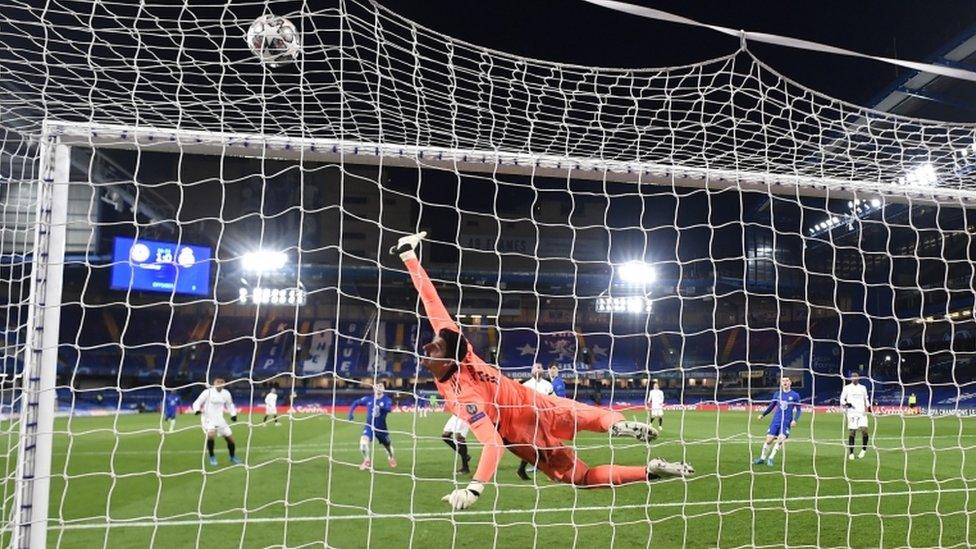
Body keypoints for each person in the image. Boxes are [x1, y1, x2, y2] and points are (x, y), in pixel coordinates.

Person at [394, 231, 690, 511]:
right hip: (537, 402)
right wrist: (408, 255)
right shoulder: (460, 347)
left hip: (522, 432)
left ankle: (641, 461)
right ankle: (632, 445)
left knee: (582, 478)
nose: (426, 347)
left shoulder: (465, 394)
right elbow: (430, 299)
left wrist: (474, 489)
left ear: (449, 362)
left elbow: (493, 443)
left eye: (433, 347)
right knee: (595, 416)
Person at [753, 376, 802, 466]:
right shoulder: (777, 394)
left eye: (787, 380)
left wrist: (795, 420)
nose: (785, 382)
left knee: (780, 439)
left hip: (786, 422)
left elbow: (799, 410)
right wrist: (763, 415)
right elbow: (771, 406)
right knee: (768, 440)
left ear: (790, 382)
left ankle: (771, 458)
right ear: (781, 383)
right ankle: (762, 458)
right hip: (776, 420)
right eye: (783, 381)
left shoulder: (795, 395)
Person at [517, 363, 554, 480]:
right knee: (537, 445)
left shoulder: (548, 385)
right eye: (535, 367)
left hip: (544, 418)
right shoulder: (526, 385)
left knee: (542, 445)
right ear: (531, 370)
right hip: (530, 419)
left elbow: (553, 400)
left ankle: (522, 469)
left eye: (540, 367)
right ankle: (549, 471)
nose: (538, 369)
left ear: (542, 370)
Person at [191, 378, 240, 466]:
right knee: (211, 435)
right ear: (214, 383)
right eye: (218, 382)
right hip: (208, 418)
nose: (220, 383)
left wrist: (233, 414)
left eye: (222, 382)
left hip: (220, 419)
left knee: (231, 440)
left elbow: (230, 405)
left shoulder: (226, 393)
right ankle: (212, 457)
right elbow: (197, 402)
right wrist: (197, 410)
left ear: (224, 383)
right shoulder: (207, 392)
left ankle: (232, 457)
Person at [348, 382, 396, 470]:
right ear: (374, 389)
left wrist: (381, 407)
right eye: (377, 386)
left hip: (381, 428)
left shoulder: (387, 399)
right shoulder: (368, 399)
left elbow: (389, 409)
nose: (379, 387)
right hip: (369, 426)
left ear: (384, 389)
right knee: (363, 444)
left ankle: (391, 457)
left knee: (388, 446)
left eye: (381, 386)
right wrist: (350, 413)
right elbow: (356, 402)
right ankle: (366, 460)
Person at [840, 372, 871, 460]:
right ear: (851, 378)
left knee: (864, 430)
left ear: (858, 378)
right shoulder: (847, 388)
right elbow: (842, 399)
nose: (854, 378)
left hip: (861, 412)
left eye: (856, 377)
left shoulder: (863, 388)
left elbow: (866, 399)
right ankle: (851, 453)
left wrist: (869, 408)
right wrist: (846, 403)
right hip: (852, 413)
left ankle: (864, 449)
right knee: (852, 432)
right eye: (853, 377)